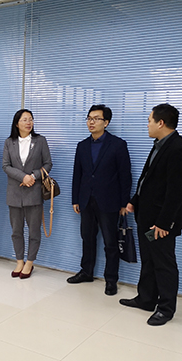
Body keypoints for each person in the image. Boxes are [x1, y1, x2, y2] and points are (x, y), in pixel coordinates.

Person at [120, 104, 182, 326]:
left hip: (161, 223)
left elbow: (175, 192)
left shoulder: (179, 149)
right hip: (147, 217)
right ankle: (146, 299)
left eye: (149, 120)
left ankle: (166, 309)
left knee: (163, 263)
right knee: (149, 259)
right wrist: (134, 200)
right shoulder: (160, 144)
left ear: (161, 123)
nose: (147, 124)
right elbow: (147, 179)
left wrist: (164, 223)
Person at [68, 105, 132, 296]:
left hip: (109, 201)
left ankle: (111, 279)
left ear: (106, 122)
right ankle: (86, 272)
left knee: (110, 242)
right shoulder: (82, 146)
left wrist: (124, 203)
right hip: (86, 200)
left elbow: (125, 176)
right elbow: (77, 174)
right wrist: (75, 199)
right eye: (89, 118)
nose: (91, 122)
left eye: (96, 119)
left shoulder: (118, 145)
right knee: (87, 238)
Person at [2, 109, 51, 278]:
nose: (29, 122)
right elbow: (6, 166)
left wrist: (33, 176)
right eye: (24, 119)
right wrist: (23, 177)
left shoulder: (40, 141)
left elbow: (48, 164)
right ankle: (19, 261)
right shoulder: (9, 142)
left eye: (31, 119)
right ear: (17, 123)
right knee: (16, 230)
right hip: (14, 193)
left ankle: (30, 262)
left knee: (34, 231)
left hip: (34, 193)